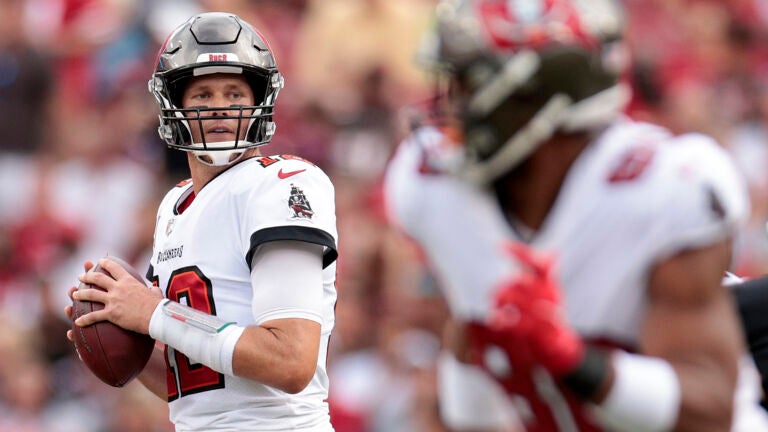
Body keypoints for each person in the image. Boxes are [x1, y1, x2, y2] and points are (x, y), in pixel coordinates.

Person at [383, 0, 768, 431]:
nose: (452, 109)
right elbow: (472, 334)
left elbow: (708, 410)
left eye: (470, 84)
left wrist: (571, 358)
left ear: (538, 99)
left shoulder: (664, 187)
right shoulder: (434, 186)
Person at [65, 12, 339, 431]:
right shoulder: (173, 206)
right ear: (174, 106)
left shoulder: (281, 184)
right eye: (203, 95)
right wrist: (116, 336)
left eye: (234, 94)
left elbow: (290, 361)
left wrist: (155, 314)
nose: (220, 109)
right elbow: (195, 381)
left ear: (259, 101)